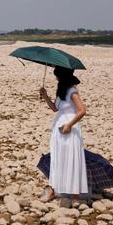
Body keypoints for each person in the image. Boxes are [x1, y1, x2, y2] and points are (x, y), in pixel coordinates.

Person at [39, 66, 88, 202]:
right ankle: (55, 188)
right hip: (58, 127)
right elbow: (55, 108)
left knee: (71, 157)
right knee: (58, 157)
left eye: (57, 76)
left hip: (69, 128)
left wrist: (69, 125)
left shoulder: (72, 91)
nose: (56, 78)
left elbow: (82, 110)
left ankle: (75, 195)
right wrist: (45, 96)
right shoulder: (61, 91)